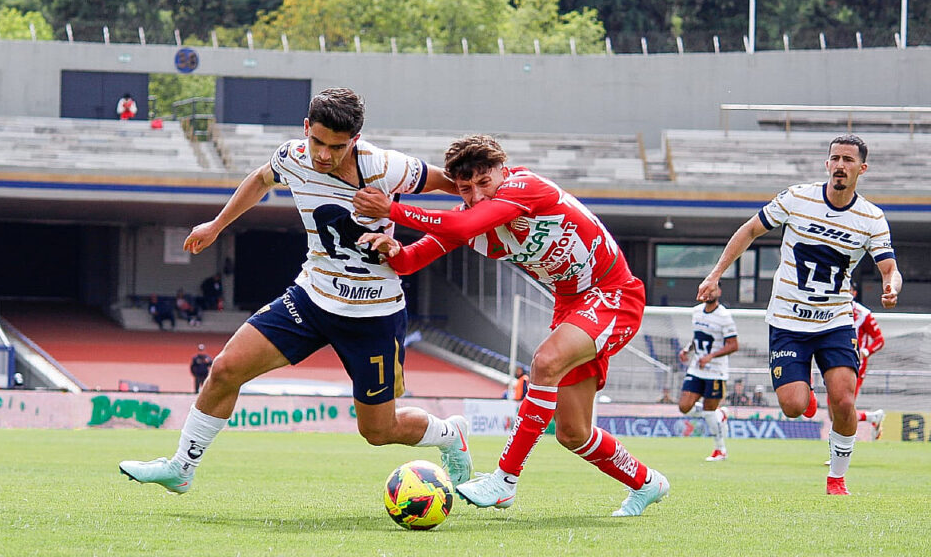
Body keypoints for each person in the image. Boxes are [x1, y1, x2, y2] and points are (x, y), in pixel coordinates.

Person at [119, 87, 472, 495]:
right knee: (225, 370)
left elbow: (460, 189)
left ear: (354, 140)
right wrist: (216, 226)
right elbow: (260, 179)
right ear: (306, 129)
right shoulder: (292, 156)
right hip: (312, 298)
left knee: (378, 430)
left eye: (336, 147)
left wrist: (400, 223)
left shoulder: (387, 168)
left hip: (373, 314)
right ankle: (181, 467)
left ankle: (450, 434)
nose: (323, 154)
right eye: (317, 141)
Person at [354, 134, 669, 517]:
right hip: (571, 306)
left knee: (545, 361)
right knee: (573, 433)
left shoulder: (525, 187)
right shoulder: (469, 219)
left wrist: (393, 210)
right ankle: (647, 482)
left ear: (503, 171)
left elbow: (461, 225)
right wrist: (392, 250)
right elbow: (411, 261)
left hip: (612, 293)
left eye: (484, 182)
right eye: (466, 188)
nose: (476, 195)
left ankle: (504, 480)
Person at [696, 134, 902, 496]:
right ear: (827, 164)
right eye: (835, 158)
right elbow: (749, 230)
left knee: (844, 400)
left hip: (835, 320)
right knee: (792, 406)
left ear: (861, 169)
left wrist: (892, 285)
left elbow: (889, 267)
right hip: (787, 320)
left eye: (848, 160)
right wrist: (715, 274)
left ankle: (837, 479)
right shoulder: (796, 197)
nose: (840, 165)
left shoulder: (871, 217)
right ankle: (805, 398)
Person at [676, 281, 738, 461]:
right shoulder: (696, 312)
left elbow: (733, 345)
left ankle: (720, 450)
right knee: (684, 407)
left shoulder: (724, 316)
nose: (710, 292)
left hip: (716, 372)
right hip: (697, 368)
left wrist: (711, 356)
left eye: (714, 289)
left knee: (709, 411)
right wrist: (688, 349)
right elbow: (698, 337)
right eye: (707, 290)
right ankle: (721, 414)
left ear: (719, 291)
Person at [848, 283, 886, 439]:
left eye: (848, 290)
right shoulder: (832, 311)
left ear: (854, 293)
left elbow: (879, 340)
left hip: (856, 366)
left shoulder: (863, 314)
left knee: (843, 409)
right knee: (834, 413)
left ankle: (841, 453)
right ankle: (872, 417)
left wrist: (865, 352)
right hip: (834, 364)